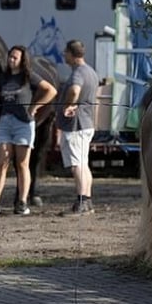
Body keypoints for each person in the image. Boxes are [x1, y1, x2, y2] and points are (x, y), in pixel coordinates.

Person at [0, 45, 57, 216]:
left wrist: (35, 107)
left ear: (22, 60)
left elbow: (51, 90)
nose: (11, 60)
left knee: (22, 164)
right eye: (10, 57)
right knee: (1, 162)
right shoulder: (3, 78)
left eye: (15, 57)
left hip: (23, 124)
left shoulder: (28, 77)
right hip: (5, 122)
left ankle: (22, 202)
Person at [55, 40, 99, 215]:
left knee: (76, 165)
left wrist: (68, 105)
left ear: (71, 54)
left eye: (65, 52)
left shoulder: (78, 73)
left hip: (76, 125)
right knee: (83, 163)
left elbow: (74, 90)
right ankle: (87, 201)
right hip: (87, 123)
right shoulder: (91, 72)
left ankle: (81, 201)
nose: (64, 56)